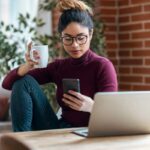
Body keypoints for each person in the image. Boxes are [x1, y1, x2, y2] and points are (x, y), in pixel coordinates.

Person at [2, 0, 118, 132]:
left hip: (90, 131)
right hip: (59, 129)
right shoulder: (59, 66)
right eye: (68, 38)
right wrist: (28, 65)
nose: (74, 45)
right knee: (22, 81)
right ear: (61, 37)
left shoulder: (102, 66)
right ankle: (21, 140)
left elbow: (111, 113)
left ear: (90, 34)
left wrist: (91, 106)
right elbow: (7, 84)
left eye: (81, 38)